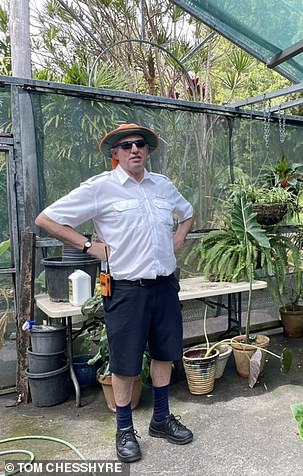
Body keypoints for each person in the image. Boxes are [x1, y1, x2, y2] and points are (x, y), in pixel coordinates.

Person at [35, 123, 194, 463]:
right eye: (126, 146)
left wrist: (179, 237)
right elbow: (47, 219)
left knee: (165, 353)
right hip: (125, 290)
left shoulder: (162, 187)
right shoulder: (101, 189)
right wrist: (88, 244)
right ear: (115, 154)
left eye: (140, 144)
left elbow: (188, 213)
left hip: (165, 285)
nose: (134, 149)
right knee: (125, 363)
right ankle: (124, 430)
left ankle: (161, 419)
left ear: (147, 150)